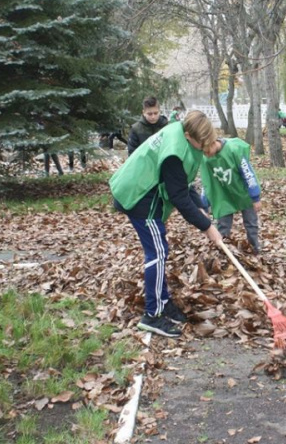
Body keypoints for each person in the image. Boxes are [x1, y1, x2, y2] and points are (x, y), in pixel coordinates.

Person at [110, 110, 223, 337]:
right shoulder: (175, 152)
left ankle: (162, 301)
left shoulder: (180, 133)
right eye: (201, 143)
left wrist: (201, 206)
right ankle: (152, 314)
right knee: (157, 253)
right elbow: (178, 196)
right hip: (139, 196)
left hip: (143, 189)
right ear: (190, 136)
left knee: (159, 251)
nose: (203, 147)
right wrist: (207, 227)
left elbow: (184, 185)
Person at [199, 137, 262, 254]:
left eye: (207, 152)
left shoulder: (234, 150)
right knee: (223, 223)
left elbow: (248, 173)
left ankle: (255, 248)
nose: (206, 155)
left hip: (243, 191)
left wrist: (255, 196)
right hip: (223, 194)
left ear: (213, 143)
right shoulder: (206, 159)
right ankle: (223, 251)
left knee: (251, 222)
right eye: (203, 153)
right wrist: (204, 204)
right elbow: (207, 183)